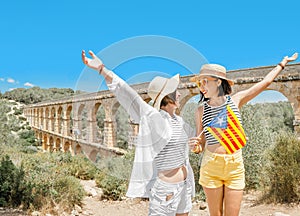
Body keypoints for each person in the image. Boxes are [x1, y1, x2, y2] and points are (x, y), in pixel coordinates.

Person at [82, 50, 196, 216]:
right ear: (167, 97)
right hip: (166, 190)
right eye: (176, 91)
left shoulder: (179, 122)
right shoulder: (154, 117)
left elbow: (198, 138)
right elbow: (126, 93)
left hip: (185, 185)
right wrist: (102, 69)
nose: (179, 93)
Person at [188, 52, 298, 216]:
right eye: (199, 83)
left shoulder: (236, 100)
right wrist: (195, 147)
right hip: (211, 165)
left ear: (218, 82)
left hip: (234, 165)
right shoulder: (200, 110)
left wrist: (283, 63)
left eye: (205, 81)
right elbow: (201, 143)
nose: (201, 86)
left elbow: (265, 82)